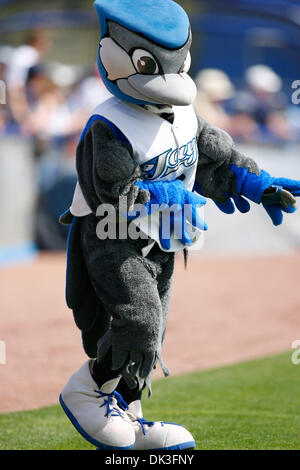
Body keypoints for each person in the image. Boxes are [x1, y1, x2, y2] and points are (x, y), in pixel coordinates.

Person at [59, 0, 300, 451]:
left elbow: (216, 164)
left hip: (163, 239)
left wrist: (259, 185)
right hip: (113, 237)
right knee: (140, 320)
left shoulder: (186, 116)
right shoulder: (109, 123)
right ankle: (88, 388)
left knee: (154, 335)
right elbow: (113, 190)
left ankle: (129, 410)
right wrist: (170, 195)